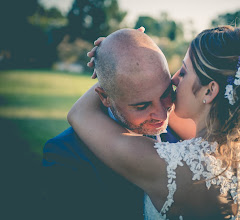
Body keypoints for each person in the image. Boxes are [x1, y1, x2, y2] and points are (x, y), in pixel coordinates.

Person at [68, 26, 240, 219]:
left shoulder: (173, 168)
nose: (174, 78)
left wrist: (109, 55)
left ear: (210, 91)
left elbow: (80, 114)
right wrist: (128, 50)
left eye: (185, 70)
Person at [42, 28, 194, 220]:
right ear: (105, 97)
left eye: (166, 94)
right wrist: (113, 58)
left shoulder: (190, 133)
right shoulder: (66, 155)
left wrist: (125, 51)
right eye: (142, 106)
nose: (162, 114)